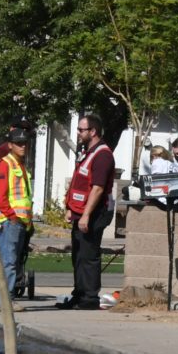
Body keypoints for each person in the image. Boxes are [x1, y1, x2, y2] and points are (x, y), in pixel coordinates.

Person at [60, 113, 116, 310]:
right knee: (78, 255)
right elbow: (80, 182)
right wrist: (71, 208)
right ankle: (79, 294)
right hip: (80, 211)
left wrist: (86, 215)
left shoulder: (103, 155)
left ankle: (89, 298)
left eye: (81, 129)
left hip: (95, 213)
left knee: (88, 256)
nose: (78, 133)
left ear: (93, 131)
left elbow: (98, 188)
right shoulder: (87, 152)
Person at [0, 124, 33, 308]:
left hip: (19, 221)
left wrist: (25, 220)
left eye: (25, 143)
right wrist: (12, 216)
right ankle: (4, 301)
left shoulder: (18, 163)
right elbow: (0, 195)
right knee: (9, 263)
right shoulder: (6, 163)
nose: (23, 146)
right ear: (10, 145)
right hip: (10, 221)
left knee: (10, 262)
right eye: (19, 143)